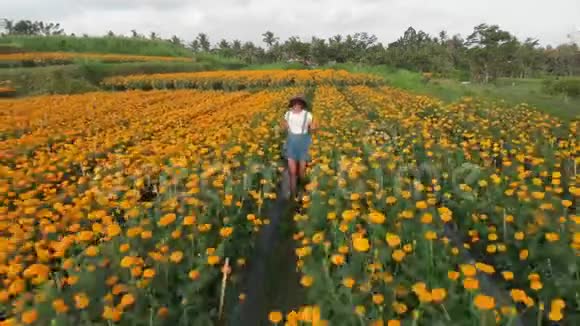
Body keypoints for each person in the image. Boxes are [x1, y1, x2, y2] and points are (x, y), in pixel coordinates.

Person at [281, 94, 315, 200]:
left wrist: (313, 128)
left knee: (301, 171)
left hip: (303, 142)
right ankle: (293, 195)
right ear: (292, 104)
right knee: (292, 171)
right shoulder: (288, 114)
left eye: (299, 103)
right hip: (291, 142)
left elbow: (313, 126)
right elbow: (284, 125)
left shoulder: (308, 115)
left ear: (302, 105)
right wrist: (284, 127)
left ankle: (303, 191)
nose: (297, 105)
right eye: (295, 103)